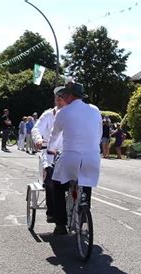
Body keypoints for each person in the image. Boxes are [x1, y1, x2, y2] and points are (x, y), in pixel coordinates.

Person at [48, 81, 102, 235]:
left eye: (64, 94)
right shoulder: (95, 110)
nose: (62, 97)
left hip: (70, 158)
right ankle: (84, 216)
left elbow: (54, 135)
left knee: (57, 185)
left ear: (69, 95)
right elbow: (98, 134)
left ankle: (60, 224)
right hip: (92, 158)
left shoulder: (63, 112)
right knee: (86, 184)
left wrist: (51, 149)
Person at [32, 86, 67, 223]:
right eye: (57, 97)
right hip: (50, 154)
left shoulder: (71, 115)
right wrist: (39, 139)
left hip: (68, 154)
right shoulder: (48, 114)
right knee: (51, 180)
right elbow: (36, 128)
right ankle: (51, 212)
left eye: (62, 96)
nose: (59, 99)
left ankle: (82, 211)